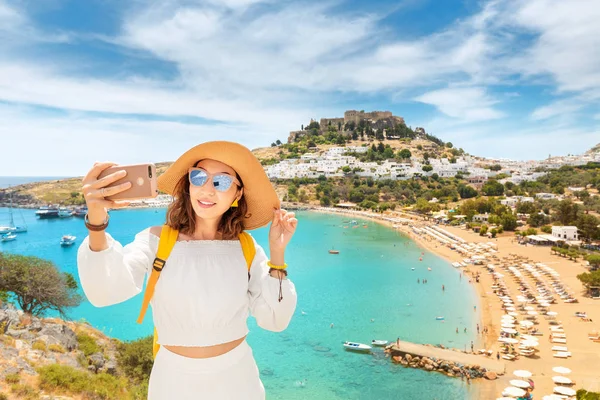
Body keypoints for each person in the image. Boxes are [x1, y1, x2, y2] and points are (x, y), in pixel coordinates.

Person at [77, 142, 298, 400]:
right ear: (188, 184)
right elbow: (104, 291)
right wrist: (96, 218)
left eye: (222, 182)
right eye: (199, 177)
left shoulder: (247, 248)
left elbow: (275, 319)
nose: (207, 190)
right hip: (173, 383)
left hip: (238, 381)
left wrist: (277, 252)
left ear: (237, 194)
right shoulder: (156, 241)